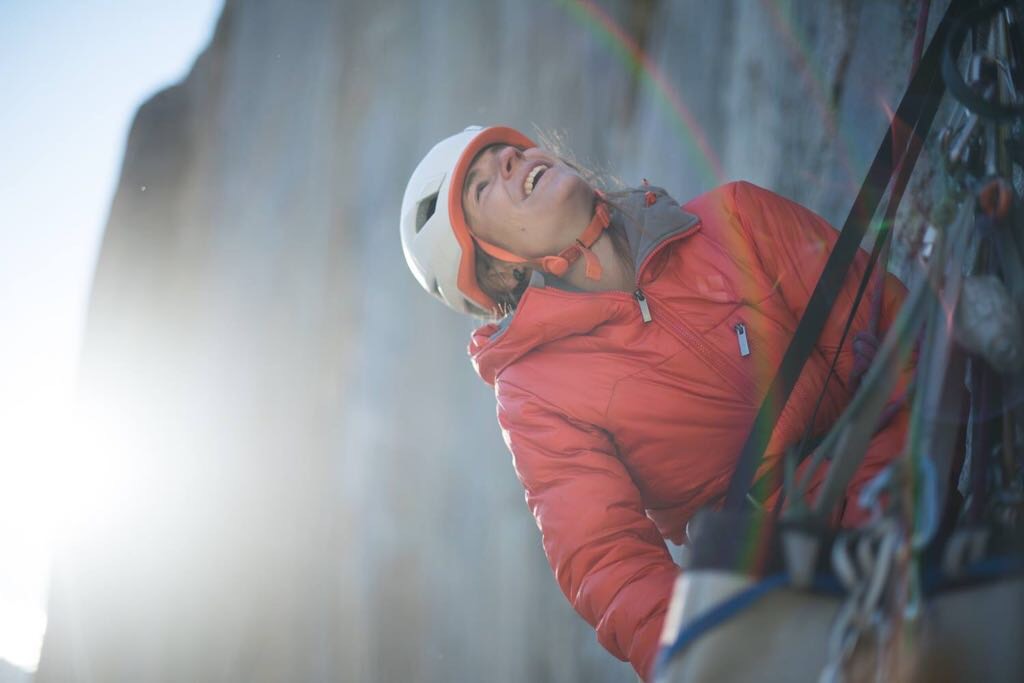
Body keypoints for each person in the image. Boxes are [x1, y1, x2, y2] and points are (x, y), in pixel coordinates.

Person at [399, 125, 911, 680]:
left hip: (911, 496)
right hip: (793, 598)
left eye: (512, 151)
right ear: (500, 269)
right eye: (480, 187)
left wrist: (885, 507)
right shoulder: (537, 395)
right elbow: (609, 561)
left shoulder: (736, 217)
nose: (510, 160)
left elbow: (899, 339)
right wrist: (701, 656)